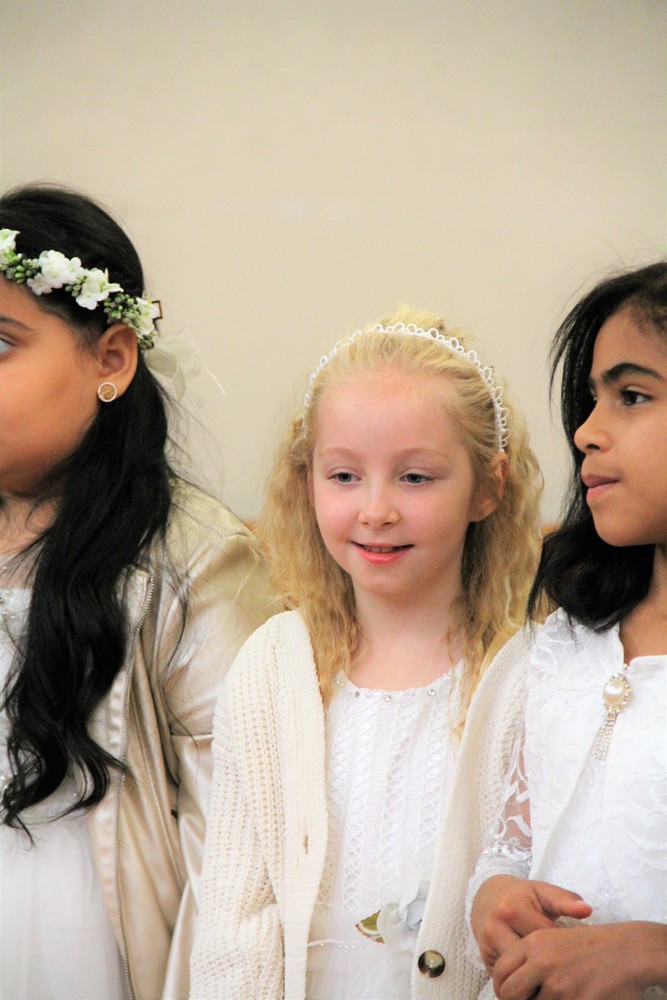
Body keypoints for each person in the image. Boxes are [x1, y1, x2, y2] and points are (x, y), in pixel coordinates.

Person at [190, 309, 544, 999]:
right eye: (345, 476)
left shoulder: (528, 675)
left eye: (415, 478)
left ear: (488, 486)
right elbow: (237, 918)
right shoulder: (273, 666)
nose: (375, 510)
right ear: (307, 481)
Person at [0, 184, 278, 1000]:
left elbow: (238, 844)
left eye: (1, 342)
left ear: (112, 360)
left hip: (99, 945)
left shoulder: (196, 559)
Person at [469, 263, 667, 1000]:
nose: (585, 431)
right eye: (591, 400)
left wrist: (653, 953)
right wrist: (495, 896)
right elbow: (512, 847)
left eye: (632, 396)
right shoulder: (563, 642)